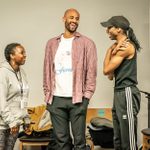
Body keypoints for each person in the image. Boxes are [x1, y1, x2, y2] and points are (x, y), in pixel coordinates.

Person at [43, 8, 97, 150]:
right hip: (56, 99)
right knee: (61, 142)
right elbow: (47, 70)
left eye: (77, 18)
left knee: (79, 142)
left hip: (77, 99)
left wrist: (86, 97)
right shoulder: (52, 43)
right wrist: (47, 93)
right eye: (71, 17)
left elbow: (92, 72)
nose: (74, 21)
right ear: (64, 19)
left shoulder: (87, 43)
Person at [101, 16, 141, 150]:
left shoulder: (126, 47)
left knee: (128, 140)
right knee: (117, 137)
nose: (107, 30)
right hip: (118, 93)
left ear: (119, 29)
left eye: (109, 27)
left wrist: (108, 51)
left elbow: (106, 70)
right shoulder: (117, 48)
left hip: (127, 92)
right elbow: (111, 76)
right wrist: (112, 51)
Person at [0, 43, 30, 150]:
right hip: (3, 125)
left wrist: (26, 119)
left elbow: (23, 97)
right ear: (12, 55)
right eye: (22, 52)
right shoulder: (2, 73)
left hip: (15, 124)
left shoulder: (22, 73)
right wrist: (10, 121)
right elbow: (1, 100)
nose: (25, 55)